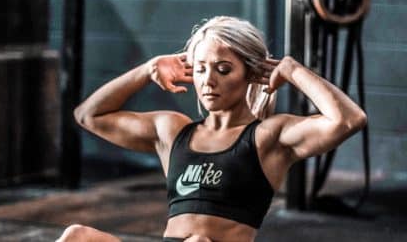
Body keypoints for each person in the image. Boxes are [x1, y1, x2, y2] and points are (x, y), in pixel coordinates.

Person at [56, 16, 367, 242]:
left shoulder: (267, 138)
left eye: (223, 69)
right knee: (77, 236)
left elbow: (349, 120)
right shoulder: (173, 131)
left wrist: (294, 71)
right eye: (201, 68)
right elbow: (88, 115)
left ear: (251, 73)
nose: (208, 80)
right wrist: (146, 70)